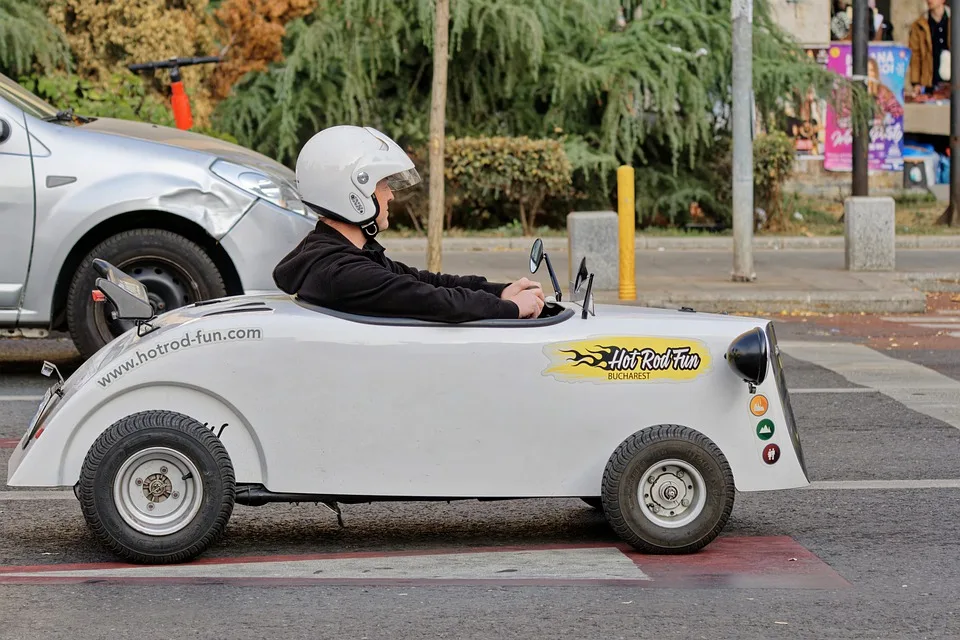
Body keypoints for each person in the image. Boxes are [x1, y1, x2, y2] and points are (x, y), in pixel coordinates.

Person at [272, 125, 546, 322]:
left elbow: (421, 280)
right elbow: (433, 300)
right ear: (354, 191)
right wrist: (509, 308)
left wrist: (499, 291)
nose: (391, 194)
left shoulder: (337, 255)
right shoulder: (341, 272)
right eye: (383, 183)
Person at [909, 0, 951, 97]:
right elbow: (915, 55)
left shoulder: (953, 20)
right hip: (930, 79)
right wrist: (916, 82)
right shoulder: (919, 25)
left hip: (951, 80)